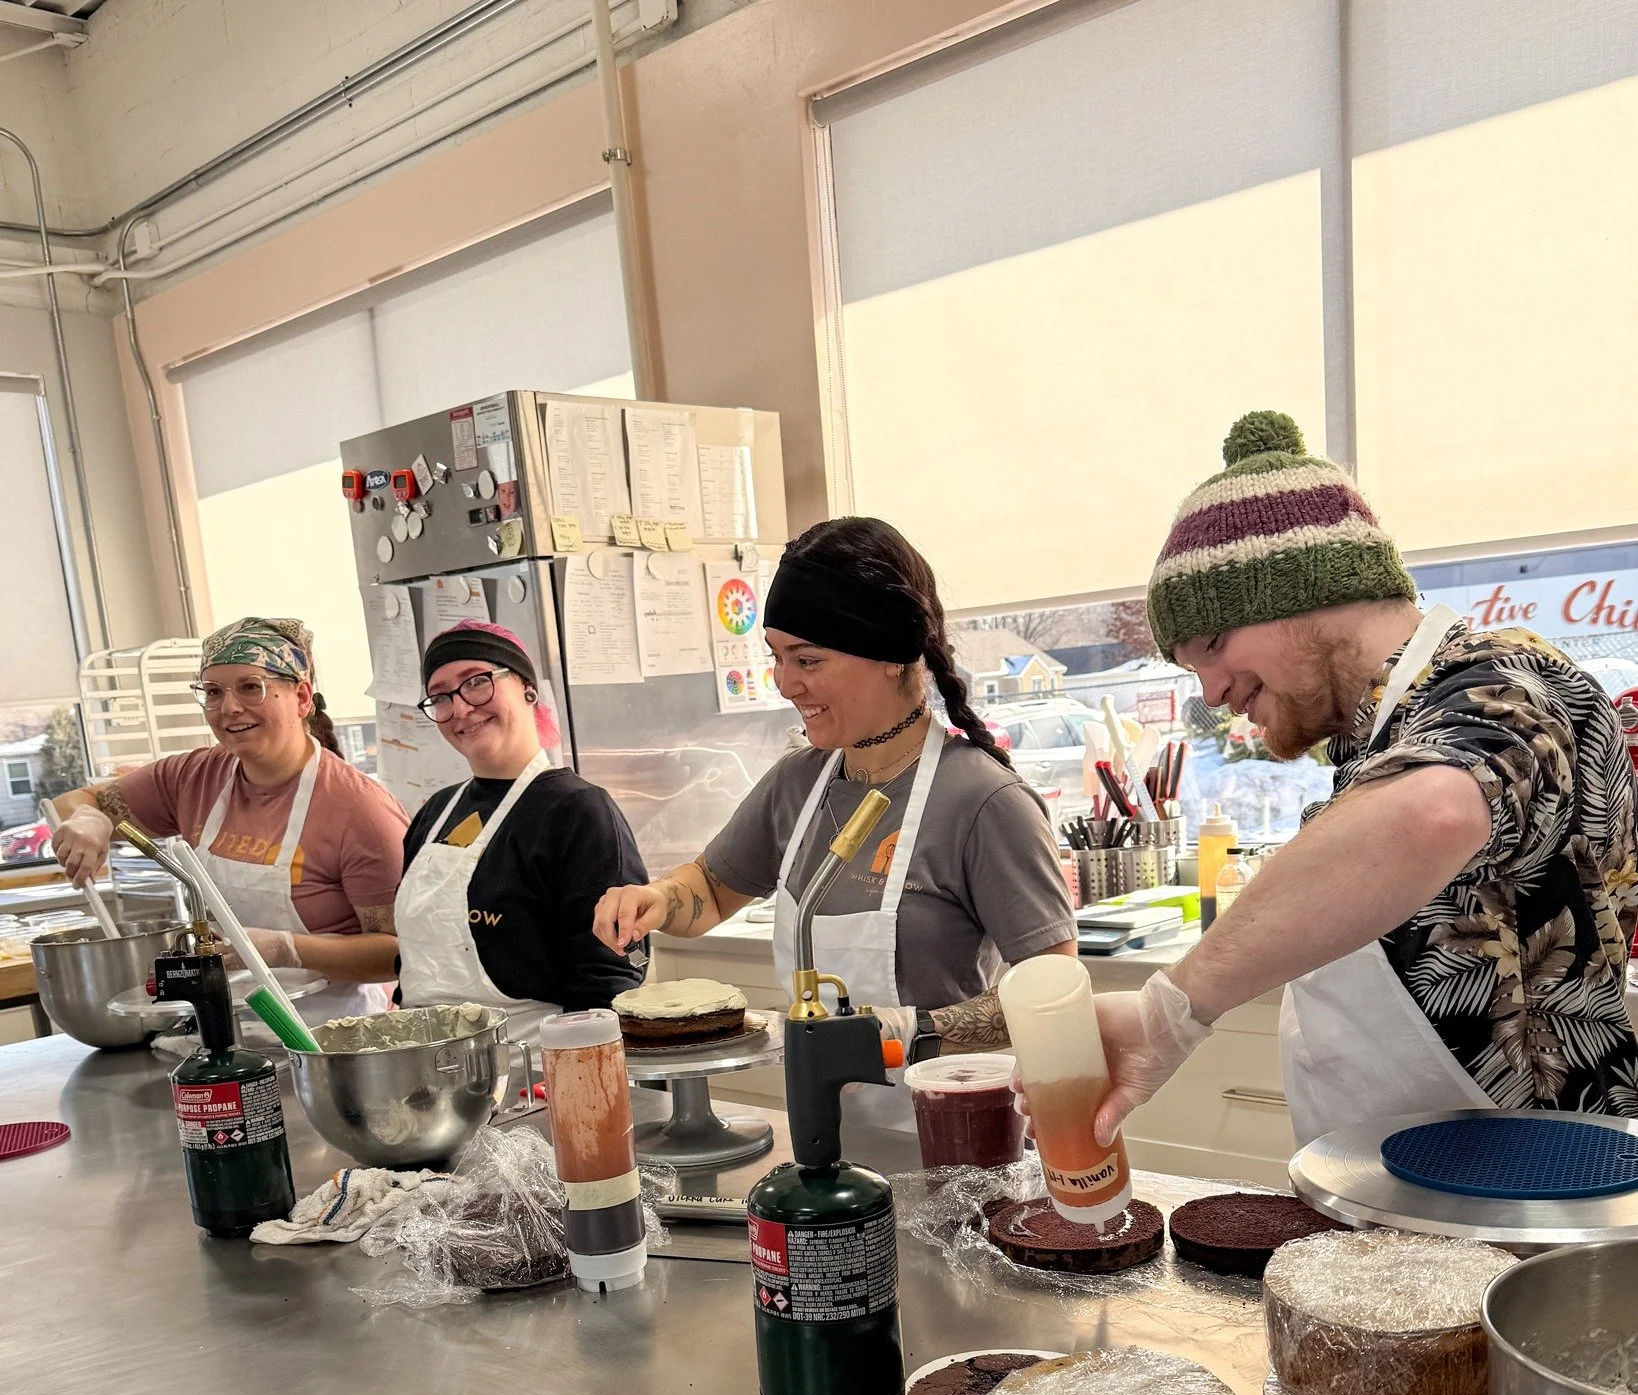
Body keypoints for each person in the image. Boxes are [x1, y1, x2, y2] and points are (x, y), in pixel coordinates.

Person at [1084, 409, 1638, 1151]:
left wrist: (1169, 1013)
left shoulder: (1508, 683)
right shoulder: (1384, 737)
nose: (1211, 692)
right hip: (1414, 1194)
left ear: (1305, 594)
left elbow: (1436, 809)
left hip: (1532, 1193)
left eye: (1213, 646)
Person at [592, 516, 1077, 1132]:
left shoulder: (984, 802)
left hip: (955, 1143)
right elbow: (711, 891)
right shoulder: (799, 784)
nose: (785, 683)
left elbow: (1055, 997)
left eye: (808, 659)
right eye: (777, 657)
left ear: (891, 656)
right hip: (825, 1138)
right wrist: (654, 899)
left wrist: (910, 1031)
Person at [50, 616, 406, 1021]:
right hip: (227, 1021)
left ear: (303, 697)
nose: (230, 708)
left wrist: (285, 948)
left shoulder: (361, 810)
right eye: (213, 692)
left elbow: (398, 952)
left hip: (334, 1032)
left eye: (251, 688)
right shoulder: (194, 778)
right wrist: (88, 818)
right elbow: (76, 800)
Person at [396, 619, 647, 1038]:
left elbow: (607, 977)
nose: (459, 708)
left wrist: (574, 1076)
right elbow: (413, 960)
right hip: (427, 1067)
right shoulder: (436, 812)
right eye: (439, 697)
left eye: (477, 682)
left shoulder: (577, 810)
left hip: (535, 1067)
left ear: (527, 689)